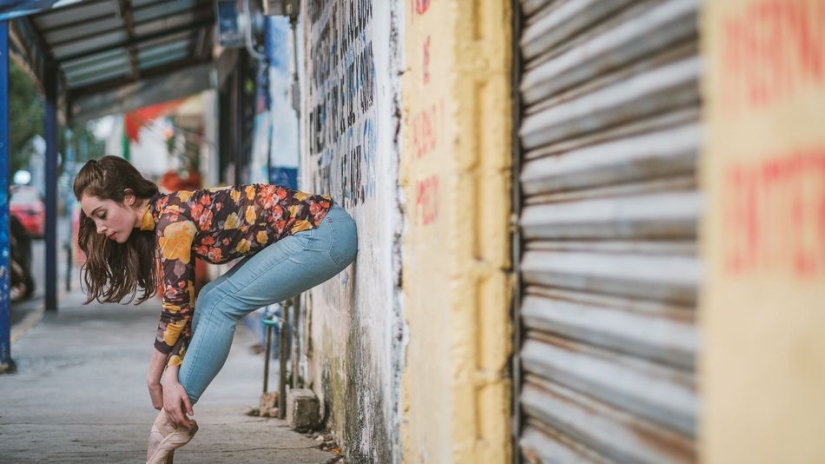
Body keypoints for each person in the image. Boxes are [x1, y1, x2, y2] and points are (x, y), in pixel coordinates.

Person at [72, 156, 357, 463]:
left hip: (324, 233)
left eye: (102, 214)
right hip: (320, 230)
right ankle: (171, 420)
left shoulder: (172, 221)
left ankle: (170, 423)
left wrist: (155, 378)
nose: (100, 228)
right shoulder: (168, 216)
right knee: (211, 299)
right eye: (94, 221)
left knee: (220, 303)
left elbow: (176, 310)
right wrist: (170, 371)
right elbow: (184, 304)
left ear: (128, 198)